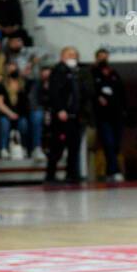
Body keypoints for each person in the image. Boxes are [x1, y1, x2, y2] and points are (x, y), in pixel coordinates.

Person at [46, 46, 93, 184]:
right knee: (57, 147)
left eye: (74, 55)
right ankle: (50, 175)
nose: (72, 57)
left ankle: (71, 174)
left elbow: (86, 93)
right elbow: (54, 92)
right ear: (62, 57)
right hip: (62, 115)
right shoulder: (58, 71)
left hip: (76, 115)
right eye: (69, 54)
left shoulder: (80, 72)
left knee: (74, 147)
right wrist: (60, 109)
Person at [93, 48, 126, 182]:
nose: (103, 59)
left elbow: (121, 92)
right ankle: (114, 171)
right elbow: (91, 91)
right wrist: (98, 98)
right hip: (103, 116)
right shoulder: (92, 73)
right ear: (96, 58)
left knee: (116, 144)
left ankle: (109, 171)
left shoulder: (113, 73)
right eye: (100, 57)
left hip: (116, 115)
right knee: (109, 143)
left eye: (105, 56)